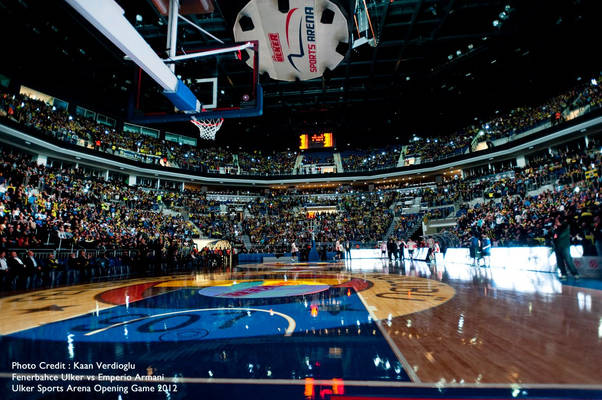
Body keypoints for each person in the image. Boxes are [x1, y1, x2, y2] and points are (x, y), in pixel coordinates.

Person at [553, 213, 579, 281]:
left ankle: (575, 274)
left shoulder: (565, 226)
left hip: (565, 246)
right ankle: (564, 274)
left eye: (557, 221)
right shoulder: (556, 229)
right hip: (557, 247)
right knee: (560, 261)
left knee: (568, 260)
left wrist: (558, 224)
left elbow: (559, 235)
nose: (556, 222)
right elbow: (554, 237)